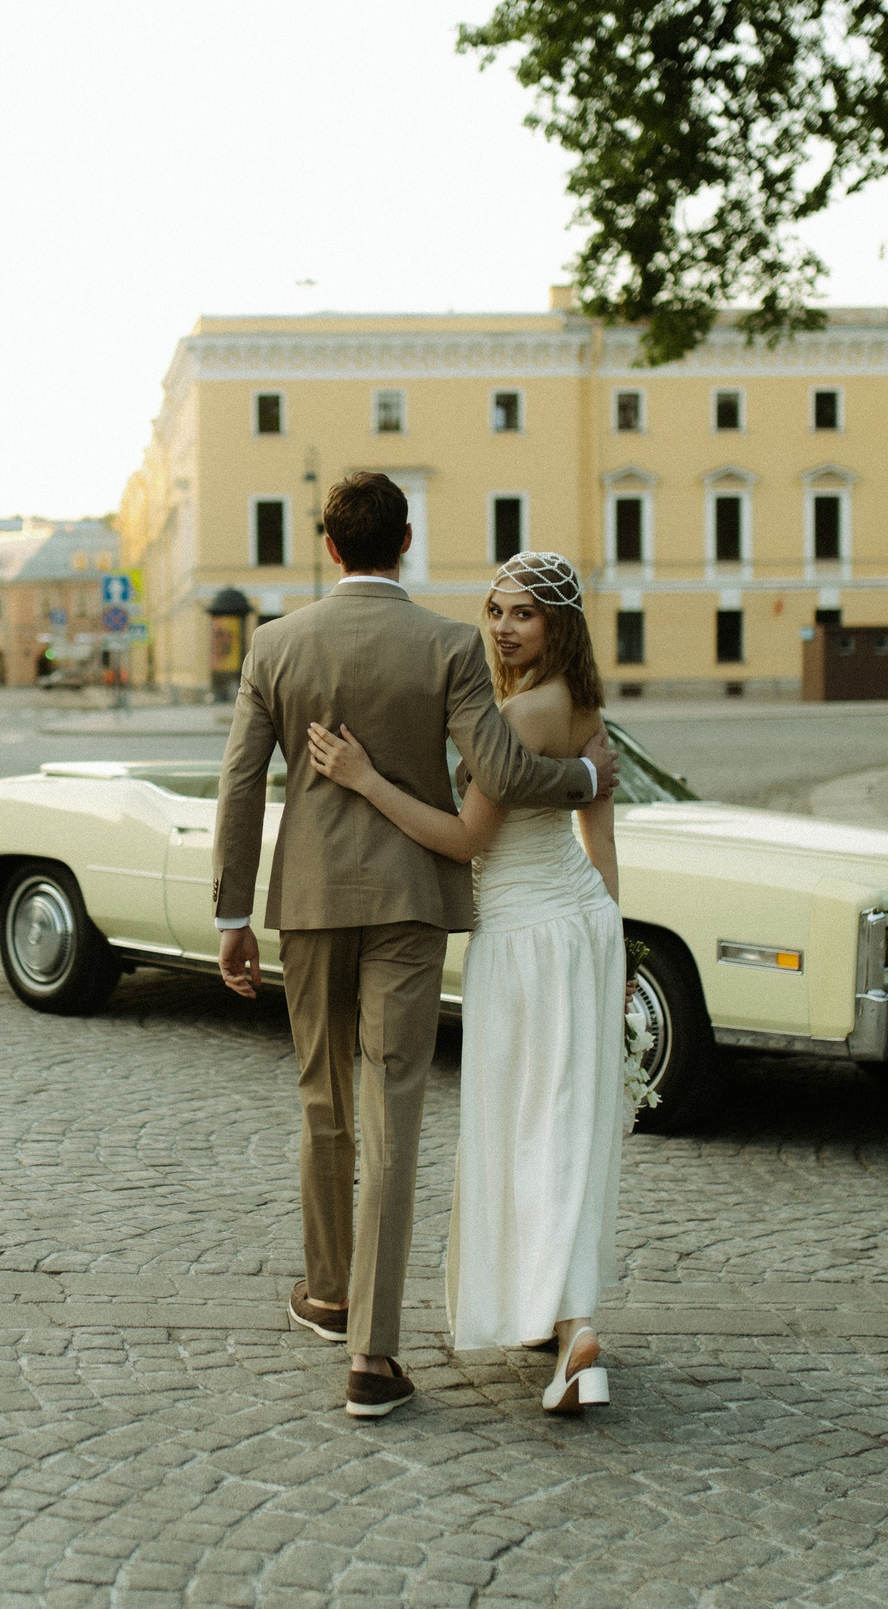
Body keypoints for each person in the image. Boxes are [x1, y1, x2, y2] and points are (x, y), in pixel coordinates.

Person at [212, 474, 616, 1420]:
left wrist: (234, 915)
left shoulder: (274, 645)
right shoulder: (446, 645)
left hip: (308, 901)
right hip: (410, 905)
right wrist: (586, 775)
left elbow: (238, 782)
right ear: (405, 539)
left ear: (328, 543)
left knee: (323, 1094)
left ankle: (328, 1292)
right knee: (393, 1108)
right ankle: (372, 1356)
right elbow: (509, 770)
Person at [302, 551, 634, 1415]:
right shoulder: (586, 708)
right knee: (564, 1124)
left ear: (557, 624)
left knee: (526, 1128)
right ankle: (563, 1321)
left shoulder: (521, 713)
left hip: (525, 932)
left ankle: (570, 1327)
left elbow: (463, 840)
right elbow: (600, 837)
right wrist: (611, 939)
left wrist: (364, 777)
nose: (501, 625)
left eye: (522, 613)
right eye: (494, 608)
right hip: (580, 917)